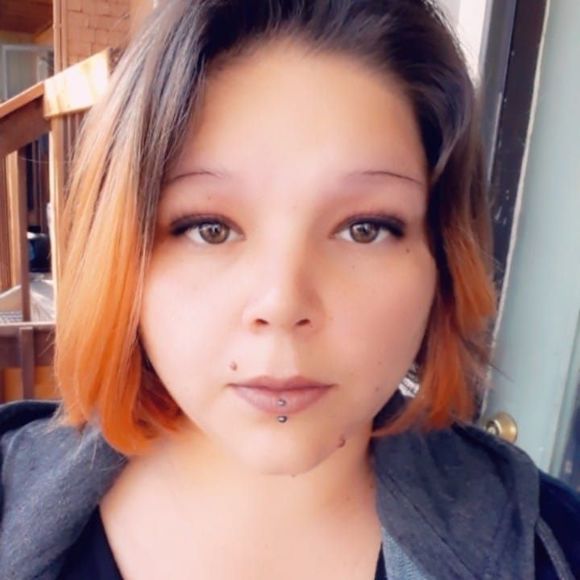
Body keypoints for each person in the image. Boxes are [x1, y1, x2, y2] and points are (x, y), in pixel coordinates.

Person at [1, 1, 578, 578]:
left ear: (442, 259)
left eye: (365, 228)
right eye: (210, 228)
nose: (282, 303)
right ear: (122, 252)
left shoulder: (555, 549)